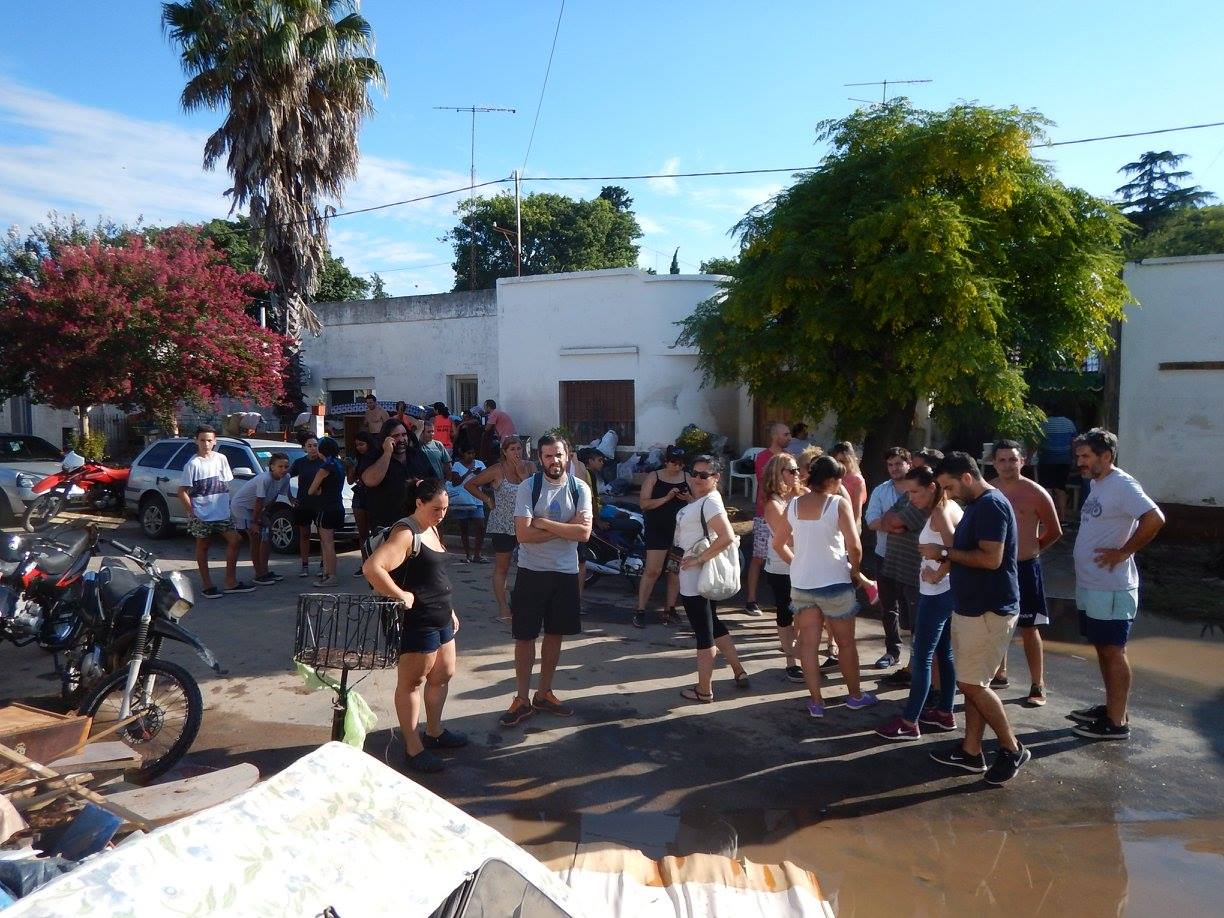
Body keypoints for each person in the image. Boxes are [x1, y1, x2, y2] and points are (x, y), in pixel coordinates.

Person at [923, 452, 1028, 785]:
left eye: (950, 487)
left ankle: (1011, 748)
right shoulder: (977, 505)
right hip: (973, 608)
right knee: (972, 681)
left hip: (989, 610)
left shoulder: (990, 506)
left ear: (967, 478)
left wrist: (942, 552)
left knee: (971, 684)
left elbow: (991, 559)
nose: (948, 494)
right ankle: (971, 751)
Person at [363, 478, 467, 774]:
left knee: (443, 675)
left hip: (441, 615)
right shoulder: (406, 533)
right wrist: (401, 595)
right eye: (436, 509)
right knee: (412, 683)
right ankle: (413, 748)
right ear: (419, 503)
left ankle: (434, 733)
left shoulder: (431, 527)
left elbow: (433, 574)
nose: (441, 515)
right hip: (416, 621)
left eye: (445, 509)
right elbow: (373, 568)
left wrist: (450, 610)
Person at [1068, 429, 1164, 741]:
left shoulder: (1123, 484)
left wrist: (1124, 552)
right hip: (1092, 584)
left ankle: (1117, 723)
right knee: (1102, 647)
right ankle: (1113, 707)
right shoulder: (1098, 483)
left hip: (1111, 587)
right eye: (1078, 456)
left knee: (1113, 650)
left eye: (1086, 456)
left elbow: (1155, 518)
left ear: (1106, 456)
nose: (1080, 462)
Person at [772, 455, 877, 716]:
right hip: (834, 583)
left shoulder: (793, 504)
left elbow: (778, 544)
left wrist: (798, 563)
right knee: (845, 644)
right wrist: (856, 571)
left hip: (802, 584)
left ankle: (816, 702)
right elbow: (854, 546)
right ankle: (855, 696)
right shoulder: (838, 504)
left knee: (808, 645)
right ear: (831, 480)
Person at [500, 436, 591, 727]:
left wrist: (544, 523)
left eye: (559, 455)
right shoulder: (529, 487)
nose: (554, 461)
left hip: (565, 573)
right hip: (532, 571)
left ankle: (544, 693)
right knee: (525, 637)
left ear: (568, 455)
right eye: (548, 456)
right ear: (540, 458)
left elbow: (584, 534)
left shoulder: (580, 488)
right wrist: (567, 528)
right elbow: (523, 535)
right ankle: (522, 698)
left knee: (555, 635)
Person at [874, 465, 963, 740]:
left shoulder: (939, 511)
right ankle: (945, 712)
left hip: (936, 593)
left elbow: (955, 550)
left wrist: (938, 573)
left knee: (923, 656)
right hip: (943, 592)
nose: (911, 498)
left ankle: (909, 722)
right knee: (944, 653)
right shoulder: (948, 507)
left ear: (932, 487)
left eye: (915, 492)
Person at [990, 440, 1063, 706]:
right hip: (995, 568)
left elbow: (1054, 531)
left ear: (1023, 461)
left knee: (1029, 628)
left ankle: (1037, 683)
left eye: (1012, 459)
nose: (1007, 465)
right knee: (996, 621)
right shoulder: (989, 490)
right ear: (994, 463)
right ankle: (999, 673)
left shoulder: (1036, 492)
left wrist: (1032, 549)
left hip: (1025, 567)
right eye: (1002, 460)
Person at [674, 455, 750, 702]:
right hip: (700, 576)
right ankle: (738, 670)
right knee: (713, 624)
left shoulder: (710, 503)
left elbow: (726, 536)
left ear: (716, 477)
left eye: (703, 475)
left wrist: (698, 559)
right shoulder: (705, 500)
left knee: (704, 632)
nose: (696, 478)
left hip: (697, 578)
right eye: (694, 473)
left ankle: (704, 689)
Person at [177, 426, 253, 598]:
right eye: (202, 440)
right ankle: (207, 586)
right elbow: (182, 491)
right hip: (202, 514)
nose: (206, 444)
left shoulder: (221, 458)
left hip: (222, 512)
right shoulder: (193, 464)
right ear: (196, 441)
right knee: (203, 546)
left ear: (215, 441)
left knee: (235, 540)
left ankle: (230, 582)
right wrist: (192, 512)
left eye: (209, 440)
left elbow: (226, 484)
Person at [466, 436, 536, 621]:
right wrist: (487, 499)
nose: (517, 453)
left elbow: (536, 493)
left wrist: (523, 476)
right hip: (503, 526)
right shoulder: (497, 470)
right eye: (512, 449)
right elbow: (470, 484)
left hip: (527, 525)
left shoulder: (530, 467)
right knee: (502, 567)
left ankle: (523, 602)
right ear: (504, 452)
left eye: (519, 448)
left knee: (529, 567)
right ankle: (503, 608)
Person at [865, 447, 914, 669]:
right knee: (888, 607)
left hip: (913, 559)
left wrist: (889, 523)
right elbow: (871, 521)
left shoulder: (918, 489)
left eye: (898, 463)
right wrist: (898, 526)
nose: (894, 468)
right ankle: (892, 651)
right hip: (885, 556)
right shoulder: (881, 491)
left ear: (909, 464)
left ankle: (917, 657)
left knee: (913, 608)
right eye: (890, 465)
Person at [634, 445, 690, 629]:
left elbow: (698, 502)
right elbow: (644, 504)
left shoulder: (687, 477)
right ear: (666, 462)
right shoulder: (654, 477)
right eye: (673, 462)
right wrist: (666, 498)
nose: (677, 466)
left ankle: (670, 609)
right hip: (657, 530)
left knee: (674, 571)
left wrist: (688, 498)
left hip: (679, 533)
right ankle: (640, 610)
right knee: (653, 571)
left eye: (680, 463)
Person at [761, 452, 805, 682]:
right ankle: (791, 661)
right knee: (786, 613)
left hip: (801, 564)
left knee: (803, 613)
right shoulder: (774, 504)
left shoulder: (798, 496)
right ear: (778, 473)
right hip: (782, 567)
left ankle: (798, 653)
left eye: (797, 469)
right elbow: (787, 538)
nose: (798, 473)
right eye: (792, 470)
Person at [744, 423, 793, 616]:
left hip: (785, 511)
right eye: (786, 434)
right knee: (759, 556)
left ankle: (786, 598)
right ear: (775, 436)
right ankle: (751, 599)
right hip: (764, 513)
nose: (789, 437)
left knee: (787, 550)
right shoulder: (763, 457)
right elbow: (767, 484)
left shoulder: (790, 458)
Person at [230, 451, 291, 585]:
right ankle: (259, 574)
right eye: (280, 466)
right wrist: (255, 522)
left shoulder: (286, 477)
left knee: (266, 537)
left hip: (257, 509)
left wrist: (265, 513)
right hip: (242, 507)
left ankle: (265, 570)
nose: (283, 470)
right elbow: (259, 500)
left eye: (286, 467)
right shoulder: (265, 479)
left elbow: (275, 495)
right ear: (272, 467)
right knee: (255, 538)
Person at [306, 437, 345, 587]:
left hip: (326, 508)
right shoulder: (339, 464)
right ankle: (326, 573)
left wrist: (319, 491)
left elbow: (311, 491)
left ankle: (331, 575)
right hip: (338, 505)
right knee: (329, 543)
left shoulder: (324, 468)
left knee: (327, 544)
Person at [290, 436, 325, 578]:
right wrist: (290, 497)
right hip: (303, 503)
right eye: (309, 446)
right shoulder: (299, 463)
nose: (313, 448)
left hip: (320, 504)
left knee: (323, 536)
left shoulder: (323, 462)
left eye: (315, 445)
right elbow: (285, 478)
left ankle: (323, 565)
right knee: (304, 535)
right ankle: (304, 565)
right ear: (304, 447)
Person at [448, 445, 487, 563]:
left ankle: (477, 554)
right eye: (468, 453)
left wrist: (479, 474)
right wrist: (469, 473)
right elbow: (455, 482)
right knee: (464, 528)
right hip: (462, 500)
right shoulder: (457, 465)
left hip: (477, 499)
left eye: (473, 453)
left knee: (481, 526)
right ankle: (467, 554)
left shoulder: (479, 464)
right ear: (462, 453)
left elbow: (486, 479)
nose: (471, 456)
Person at [347, 432, 377, 576]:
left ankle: (376, 563)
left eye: (362, 444)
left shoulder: (375, 457)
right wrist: (352, 467)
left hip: (373, 495)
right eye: (357, 445)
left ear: (368, 444)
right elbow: (349, 481)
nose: (359, 447)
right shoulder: (356, 458)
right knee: (363, 533)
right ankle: (365, 563)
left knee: (376, 531)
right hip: (359, 495)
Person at [1038, 414, 1078, 522]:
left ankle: (1049, 518)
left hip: (1047, 459)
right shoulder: (1069, 423)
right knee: (1061, 489)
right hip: (1064, 460)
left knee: (1047, 489)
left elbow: (1038, 442)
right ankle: (1063, 518)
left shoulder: (1044, 423)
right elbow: (1074, 443)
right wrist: (1074, 459)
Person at [830, 442, 865, 528]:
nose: (840, 465)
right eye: (837, 462)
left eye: (843, 461)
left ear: (851, 460)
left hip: (848, 523)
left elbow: (857, 509)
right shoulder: (832, 476)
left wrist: (852, 529)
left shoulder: (857, 480)